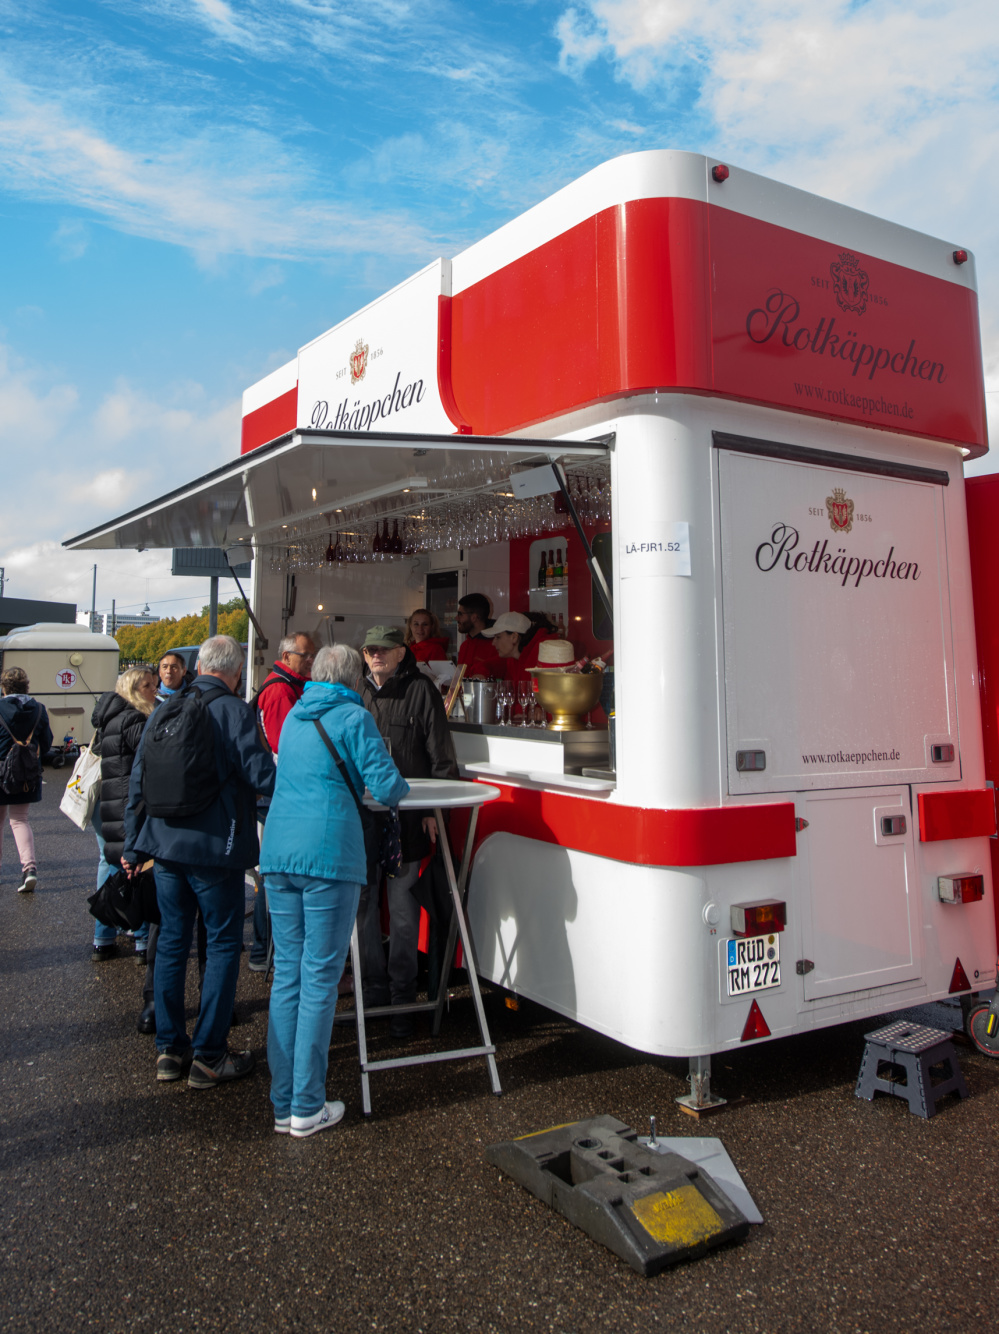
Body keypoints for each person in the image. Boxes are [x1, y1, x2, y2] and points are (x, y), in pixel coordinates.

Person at [260, 644, 409, 1137]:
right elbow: (388, 788)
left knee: (288, 976)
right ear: (352, 678)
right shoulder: (354, 717)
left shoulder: (295, 716)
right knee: (321, 978)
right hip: (328, 854)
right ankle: (307, 1105)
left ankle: (284, 1104)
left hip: (278, 853)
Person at [123, 635, 276, 1088]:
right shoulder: (233, 711)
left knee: (172, 941)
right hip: (215, 848)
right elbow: (260, 774)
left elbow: (138, 779)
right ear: (235, 671)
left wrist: (133, 845)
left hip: (164, 846)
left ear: (200, 666)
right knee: (224, 943)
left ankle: (169, 1049)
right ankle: (210, 1054)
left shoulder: (166, 709)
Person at [357, 625, 458, 1037]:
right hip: (364, 821)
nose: (376, 656)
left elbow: (441, 755)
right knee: (363, 911)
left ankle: (402, 1001)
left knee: (402, 915)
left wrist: (435, 810)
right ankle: (372, 993)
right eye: (370, 650)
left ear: (401, 653)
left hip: (409, 820)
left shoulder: (422, 690)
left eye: (384, 649)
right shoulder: (355, 692)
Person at [248, 631, 318, 971]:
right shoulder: (279, 690)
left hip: (277, 791)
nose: (310, 661)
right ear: (287, 656)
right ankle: (263, 950)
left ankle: (266, 950)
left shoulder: (288, 686)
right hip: (279, 792)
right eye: (306, 655)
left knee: (276, 870)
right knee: (275, 873)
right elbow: (285, 745)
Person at [90, 666, 158, 968]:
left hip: (108, 802)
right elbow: (150, 758)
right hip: (127, 806)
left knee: (110, 864)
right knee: (135, 868)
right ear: (133, 690)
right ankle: (141, 938)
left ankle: (103, 937)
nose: (154, 691)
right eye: (147, 686)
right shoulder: (133, 719)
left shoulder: (109, 716)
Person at [0, 666, 52, 895]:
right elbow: (47, 743)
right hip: (27, 773)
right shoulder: (39, 709)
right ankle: (29, 869)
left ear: (4, 687)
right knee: (20, 820)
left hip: (1, 771)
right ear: (26, 687)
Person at [483, 610, 563, 690]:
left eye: (498, 637)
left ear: (514, 637)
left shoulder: (542, 654)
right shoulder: (513, 658)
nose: (493, 643)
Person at [456, 594, 499, 675]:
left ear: (474, 617)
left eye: (460, 614)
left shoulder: (496, 645)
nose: (456, 618)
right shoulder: (464, 646)